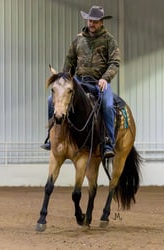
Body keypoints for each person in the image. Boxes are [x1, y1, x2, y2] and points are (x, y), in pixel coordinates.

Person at [41, 5, 120, 158]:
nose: (92, 23)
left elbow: (115, 62)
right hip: (78, 82)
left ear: (101, 22)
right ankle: (51, 137)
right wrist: (63, 79)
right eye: (90, 20)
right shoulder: (78, 40)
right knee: (52, 99)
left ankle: (108, 143)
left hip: (99, 82)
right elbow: (70, 60)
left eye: (96, 21)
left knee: (108, 105)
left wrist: (105, 78)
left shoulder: (109, 40)